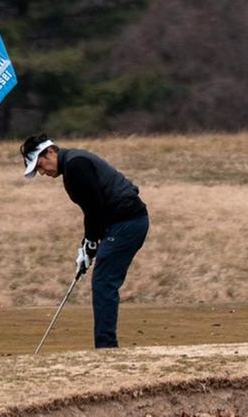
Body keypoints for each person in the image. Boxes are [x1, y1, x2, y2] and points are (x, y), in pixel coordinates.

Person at [20, 133, 150, 349]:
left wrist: (90, 243)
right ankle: (105, 346)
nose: (42, 172)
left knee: (103, 281)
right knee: (103, 280)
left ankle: (106, 348)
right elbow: (93, 211)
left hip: (127, 221)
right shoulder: (73, 164)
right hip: (123, 222)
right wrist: (87, 246)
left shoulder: (75, 165)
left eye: (40, 165)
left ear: (50, 152)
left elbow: (95, 208)